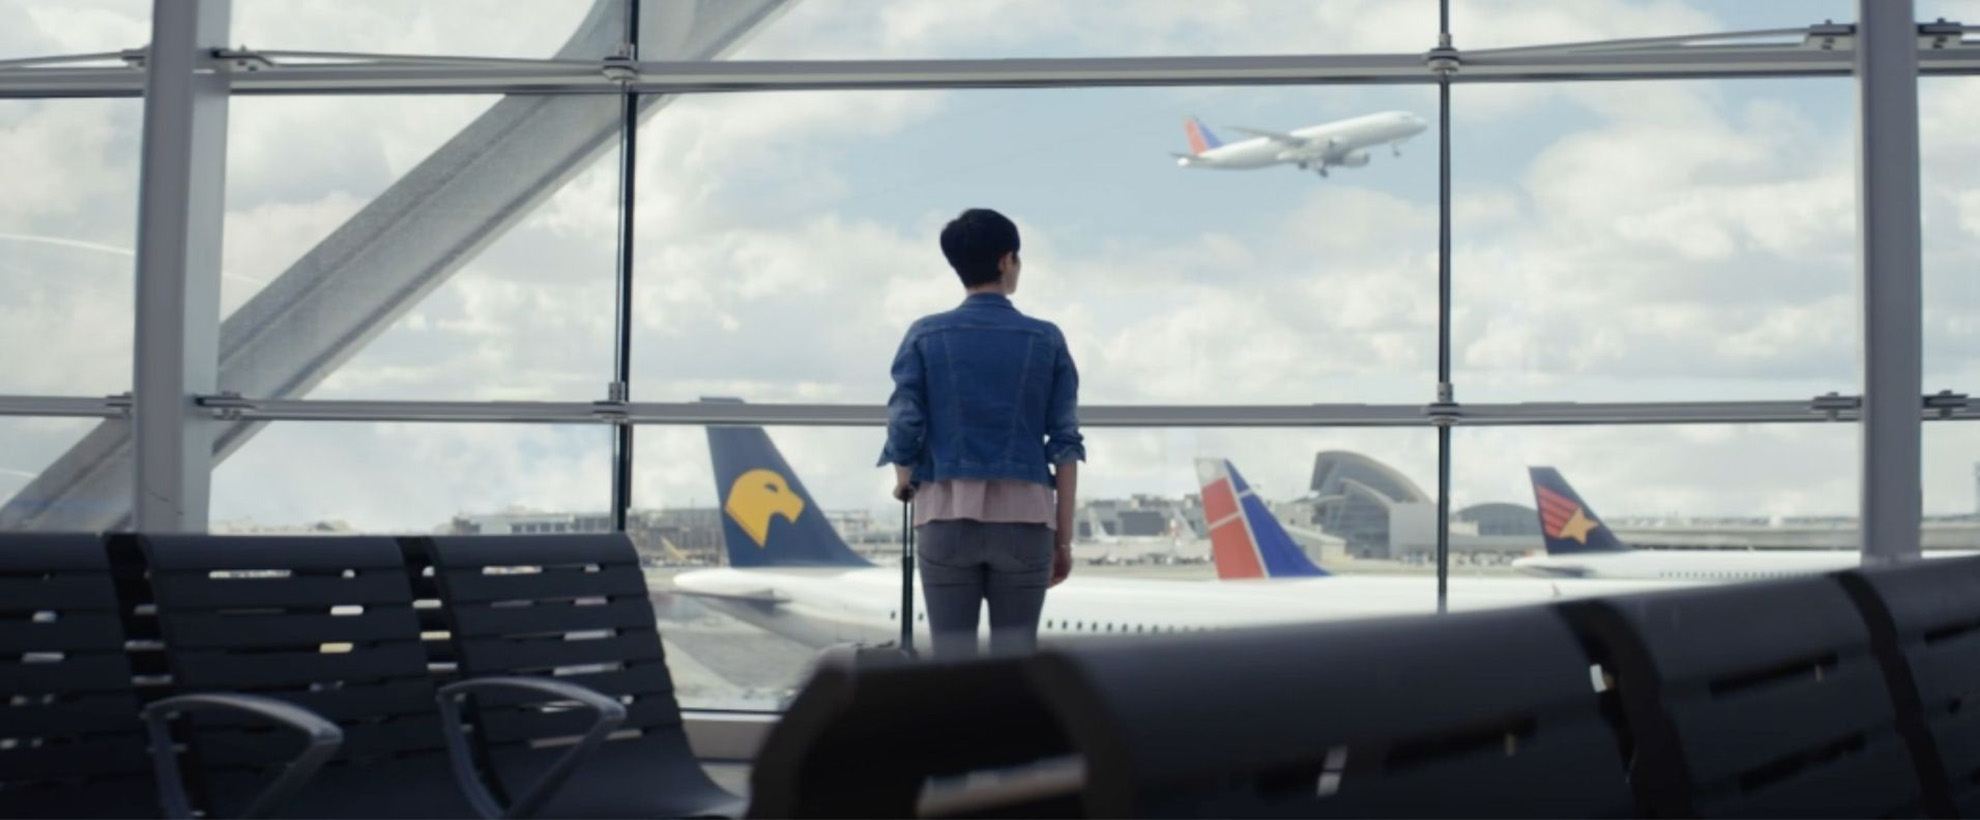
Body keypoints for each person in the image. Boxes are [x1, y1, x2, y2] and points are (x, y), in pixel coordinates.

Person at [878, 208, 1083, 661]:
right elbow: (1065, 444)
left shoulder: (925, 335)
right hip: (1026, 522)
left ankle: (959, 735)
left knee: (953, 668)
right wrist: (1062, 540)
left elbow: (904, 422)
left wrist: (903, 477)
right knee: (1017, 665)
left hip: (945, 519)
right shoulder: (1046, 339)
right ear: (1008, 260)